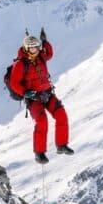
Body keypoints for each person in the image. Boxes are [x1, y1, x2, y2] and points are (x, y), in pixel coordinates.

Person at [10, 28, 73, 164]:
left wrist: (45, 41)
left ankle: (61, 145)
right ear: (26, 48)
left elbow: (49, 53)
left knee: (61, 115)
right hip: (34, 99)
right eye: (32, 48)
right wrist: (25, 92)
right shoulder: (20, 64)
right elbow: (14, 82)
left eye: (37, 47)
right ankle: (39, 153)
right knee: (42, 122)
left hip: (47, 94)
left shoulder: (41, 57)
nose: (35, 49)